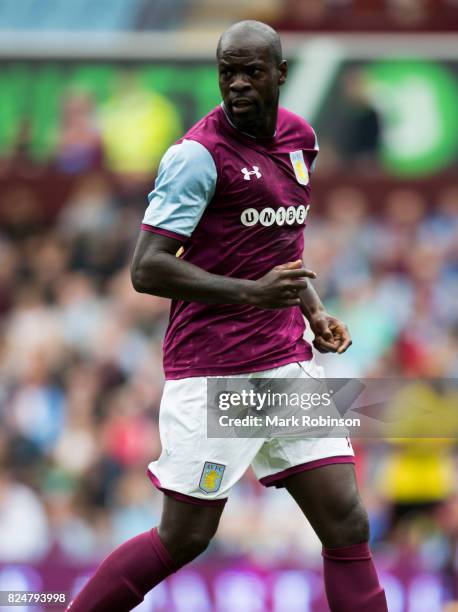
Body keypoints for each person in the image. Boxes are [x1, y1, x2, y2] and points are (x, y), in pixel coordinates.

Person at [68, 20, 388, 612]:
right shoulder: (196, 157)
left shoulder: (300, 138)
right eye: (227, 72)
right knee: (185, 537)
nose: (237, 84)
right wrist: (252, 294)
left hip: (286, 363)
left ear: (280, 75)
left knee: (347, 522)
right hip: (215, 370)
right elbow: (147, 269)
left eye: (252, 72)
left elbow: (279, 248)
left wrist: (311, 310)